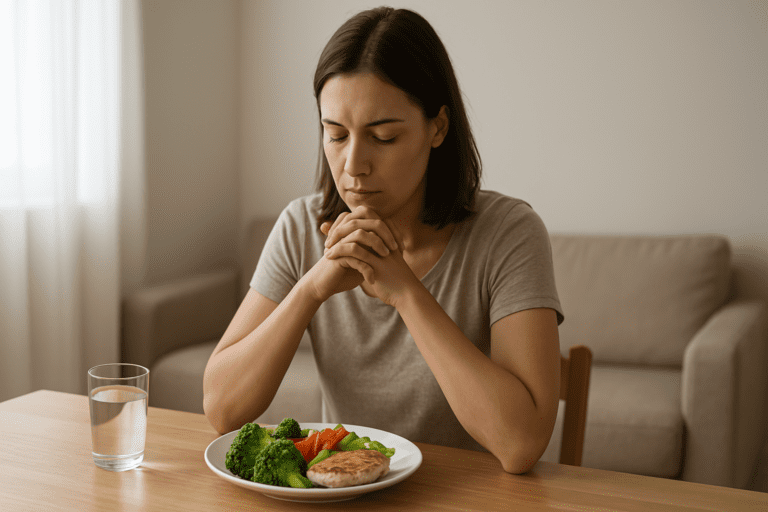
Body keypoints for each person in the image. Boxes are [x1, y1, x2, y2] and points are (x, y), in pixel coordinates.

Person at [203, 6, 564, 474]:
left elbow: (521, 444)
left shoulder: (510, 232)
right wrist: (312, 289)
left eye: (384, 137)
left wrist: (407, 293)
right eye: (336, 135)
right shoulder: (299, 227)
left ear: (437, 127)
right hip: (344, 497)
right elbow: (221, 409)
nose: (354, 164)